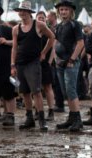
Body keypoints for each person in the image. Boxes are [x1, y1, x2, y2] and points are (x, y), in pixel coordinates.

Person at [11, 1, 55, 132]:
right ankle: (29, 118)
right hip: (20, 64)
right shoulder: (15, 29)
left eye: (24, 10)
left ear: (30, 12)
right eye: (20, 10)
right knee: (24, 92)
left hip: (33, 63)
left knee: (36, 91)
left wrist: (43, 52)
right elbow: (14, 48)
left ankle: (41, 120)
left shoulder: (39, 24)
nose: (22, 13)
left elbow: (52, 37)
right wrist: (12, 64)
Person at [52, 0, 84, 132]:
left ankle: (78, 120)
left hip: (71, 62)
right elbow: (56, 42)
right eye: (61, 9)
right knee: (65, 91)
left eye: (66, 9)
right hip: (60, 62)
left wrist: (72, 59)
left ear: (71, 11)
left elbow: (80, 43)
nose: (63, 11)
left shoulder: (75, 24)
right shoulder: (59, 26)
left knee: (71, 90)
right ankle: (71, 118)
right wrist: (55, 58)